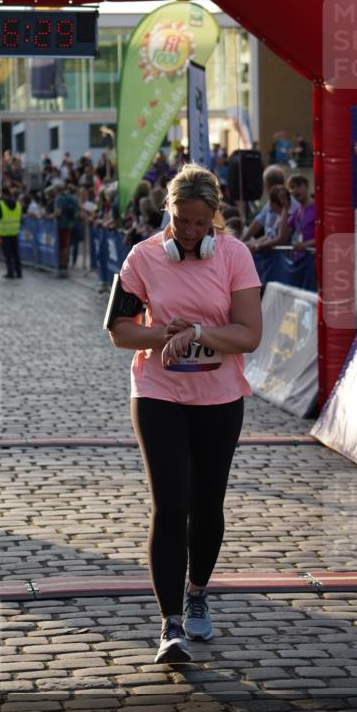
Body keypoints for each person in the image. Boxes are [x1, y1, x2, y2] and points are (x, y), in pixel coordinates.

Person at [108, 164, 262, 664]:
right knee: (171, 506)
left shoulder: (235, 256)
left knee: (207, 504)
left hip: (219, 398)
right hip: (158, 393)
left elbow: (249, 335)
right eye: (181, 221)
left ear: (215, 217)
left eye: (200, 223)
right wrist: (163, 335)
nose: (190, 232)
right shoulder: (143, 257)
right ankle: (170, 623)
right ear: (167, 213)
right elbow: (119, 331)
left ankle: (198, 590)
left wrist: (197, 333)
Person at [0, 185, 23, 280]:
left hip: (5, 233)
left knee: (8, 254)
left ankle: (10, 272)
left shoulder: (1, 204)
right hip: (15, 232)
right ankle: (19, 272)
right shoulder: (18, 204)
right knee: (16, 254)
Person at [53, 180, 79, 278]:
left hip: (61, 225)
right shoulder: (71, 197)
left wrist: (51, 216)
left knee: (62, 246)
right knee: (66, 245)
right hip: (70, 224)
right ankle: (65, 266)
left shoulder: (59, 198)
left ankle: (62, 267)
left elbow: (58, 212)